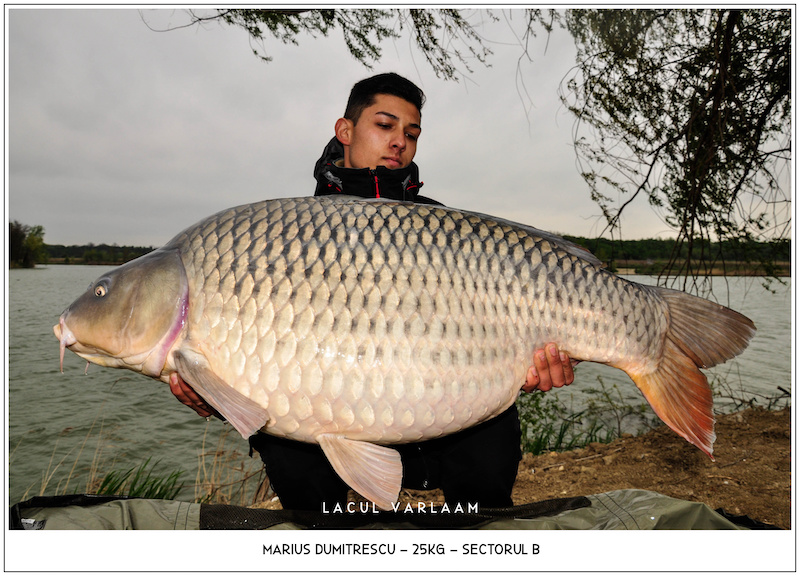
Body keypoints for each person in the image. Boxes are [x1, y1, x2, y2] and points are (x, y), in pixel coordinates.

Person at [170, 73, 575, 510]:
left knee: (493, 436)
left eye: (411, 133)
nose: (399, 140)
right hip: (325, 412)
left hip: (436, 410)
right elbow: (259, 362)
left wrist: (527, 366)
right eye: (385, 125)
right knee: (285, 441)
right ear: (345, 131)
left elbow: (497, 331)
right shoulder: (291, 232)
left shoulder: (441, 227)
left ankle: (477, 536)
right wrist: (207, 386)